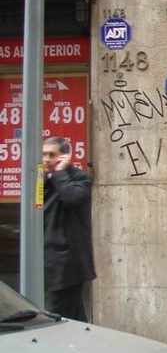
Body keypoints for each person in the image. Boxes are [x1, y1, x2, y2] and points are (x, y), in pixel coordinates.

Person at [42, 136, 95, 321]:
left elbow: (71, 198)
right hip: (47, 259)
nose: (46, 159)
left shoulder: (80, 178)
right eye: (44, 154)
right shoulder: (42, 180)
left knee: (55, 313)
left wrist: (60, 173)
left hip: (67, 263)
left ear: (64, 157)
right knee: (73, 315)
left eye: (51, 155)